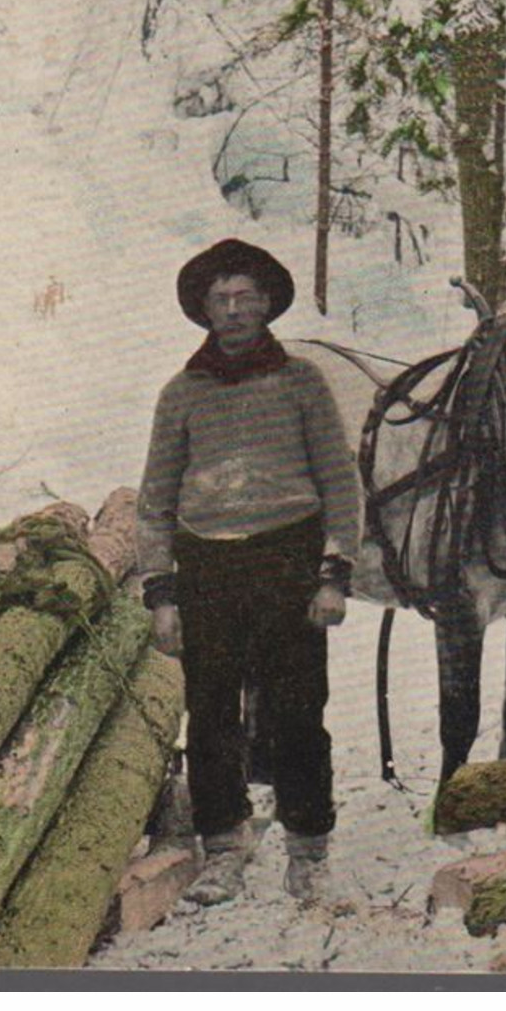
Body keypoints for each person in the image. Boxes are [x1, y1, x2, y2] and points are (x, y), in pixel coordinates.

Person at [137, 239, 360, 906]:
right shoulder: (181, 393)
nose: (232, 311)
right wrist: (162, 593)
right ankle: (223, 849)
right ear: (203, 310)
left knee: (297, 712)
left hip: (287, 561)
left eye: (244, 298)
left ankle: (308, 850)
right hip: (208, 565)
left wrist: (333, 573)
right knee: (209, 715)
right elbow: (154, 500)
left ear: (266, 304)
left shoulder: (301, 383)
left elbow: (340, 483)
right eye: (219, 299)